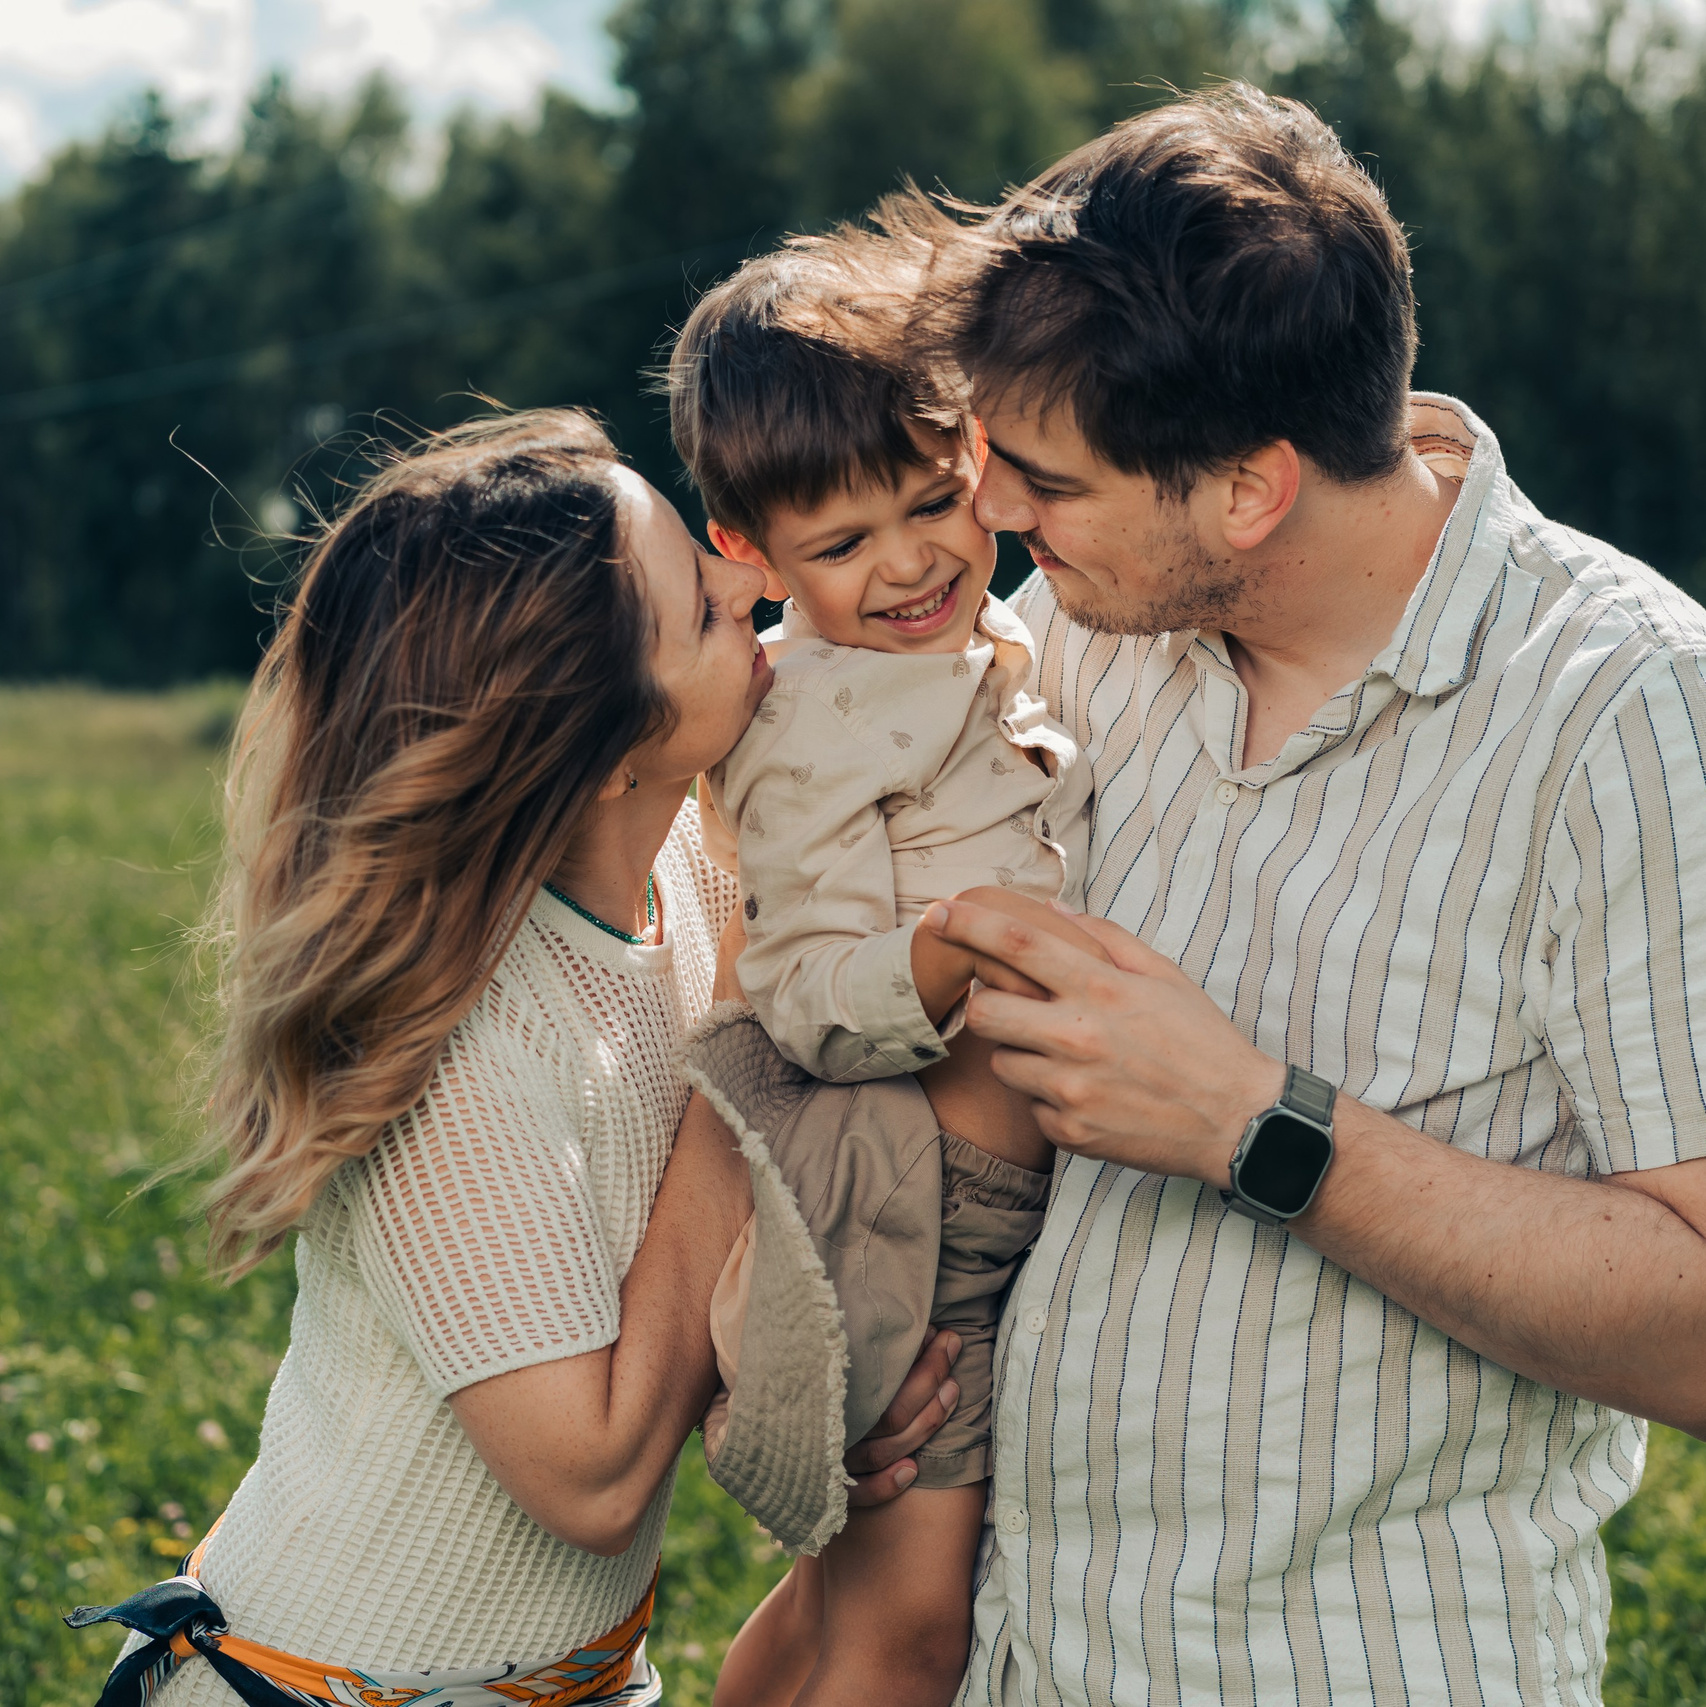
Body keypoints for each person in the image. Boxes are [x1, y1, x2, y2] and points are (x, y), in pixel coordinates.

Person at [887, 83, 1706, 1705]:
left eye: (1041, 477)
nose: (990, 513)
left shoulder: (1629, 715)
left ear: (1250, 488)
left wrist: (1258, 1127)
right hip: (1016, 1666)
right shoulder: (1068, 634)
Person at [65, 409, 954, 1707]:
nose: (748, 576)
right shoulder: (452, 1037)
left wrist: (809, 1404)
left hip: (576, 1679)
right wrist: (745, 1066)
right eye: (701, 611)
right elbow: (587, 1476)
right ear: (595, 751)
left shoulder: (690, 879)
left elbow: (674, 1283)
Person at [663, 246, 1105, 1707]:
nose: (912, 563)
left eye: (933, 504)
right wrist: (934, 957)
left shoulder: (979, 636)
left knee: (833, 1602)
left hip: (981, 1179)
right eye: (845, 545)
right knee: (910, 1632)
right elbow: (799, 988)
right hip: (930, 1199)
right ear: (748, 554)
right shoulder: (805, 723)